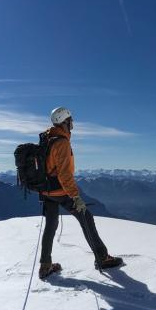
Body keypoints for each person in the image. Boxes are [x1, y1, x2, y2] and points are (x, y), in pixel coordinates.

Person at [38, 107, 123, 279]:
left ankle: (45, 266)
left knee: (51, 226)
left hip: (46, 190)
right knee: (87, 218)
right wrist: (76, 197)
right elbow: (64, 174)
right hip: (59, 190)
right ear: (65, 122)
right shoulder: (61, 142)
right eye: (71, 120)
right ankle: (102, 258)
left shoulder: (48, 138)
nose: (72, 123)